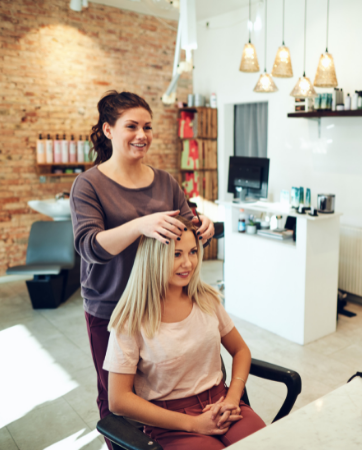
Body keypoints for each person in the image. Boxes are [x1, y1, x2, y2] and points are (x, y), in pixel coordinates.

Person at [69, 91, 215, 448]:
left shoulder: (165, 181)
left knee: (164, 390)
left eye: (147, 126)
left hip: (164, 306)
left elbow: (186, 230)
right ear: (108, 130)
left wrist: (204, 225)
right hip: (113, 309)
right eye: (131, 126)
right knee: (118, 399)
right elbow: (88, 246)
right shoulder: (89, 185)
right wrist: (139, 225)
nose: (142, 135)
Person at [104, 216, 266, 449]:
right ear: (154, 258)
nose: (188, 263)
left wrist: (233, 397)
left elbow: (240, 350)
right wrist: (193, 424)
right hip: (171, 422)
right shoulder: (131, 321)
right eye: (177, 254)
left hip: (222, 403)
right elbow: (118, 400)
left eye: (192, 252)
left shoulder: (206, 299)